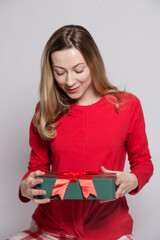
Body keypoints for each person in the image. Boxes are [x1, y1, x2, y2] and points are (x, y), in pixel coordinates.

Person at [7, 25, 153, 240]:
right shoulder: (45, 110)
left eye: (78, 70)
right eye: (59, 72)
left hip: (108, 229)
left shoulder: (127, 106)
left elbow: (143, 162)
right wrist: (25, 187)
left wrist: (133, 180)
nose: (69, 81)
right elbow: (36, 169)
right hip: (50, 227)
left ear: (93, 63)